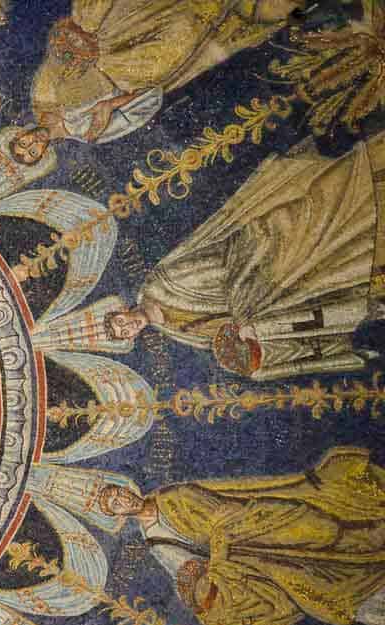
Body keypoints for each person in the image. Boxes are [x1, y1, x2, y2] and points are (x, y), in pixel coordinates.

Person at [104, 132, 385, 380]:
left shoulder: (165, 283)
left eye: (120, 322)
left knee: (332, 218)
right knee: (336, 279)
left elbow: (224, 262)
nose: (128, 326)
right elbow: (233, 336)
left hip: (263, 252)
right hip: (274, 293)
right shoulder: (177, 332)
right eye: (125, 333)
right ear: (133, 338)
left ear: (122, 310)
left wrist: (245, 318)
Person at [98, 446, 385, 625]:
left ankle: (368, 539)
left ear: (127, 488)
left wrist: (224, 539)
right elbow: (191, 572)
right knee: (307, 587)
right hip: (243, 560)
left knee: (320, 529)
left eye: (119, 493)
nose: (124, 500)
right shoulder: (156, 541)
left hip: (256, 525)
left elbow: (224, 512)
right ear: (118, 516)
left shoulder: (173, 496)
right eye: (116, 504)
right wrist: (216, 568)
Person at [31, 0, 302, 143]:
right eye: (33, 153)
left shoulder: (42, 97)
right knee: (184, 31)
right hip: (135, 71)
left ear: (18, 134)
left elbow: (61, 49)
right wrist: (110, 104)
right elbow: (142, 106)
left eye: (23, 144)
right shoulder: (88, 135)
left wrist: (82, 36)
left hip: (106, 35)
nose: (33, 144)